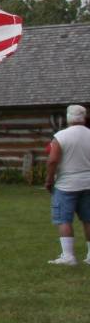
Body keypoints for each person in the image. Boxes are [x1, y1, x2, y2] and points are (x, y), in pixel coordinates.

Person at [45, 103, 90, 266]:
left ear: (68, 118)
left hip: (66, 184)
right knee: (88, 219)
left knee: (64, 219)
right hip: (88, 183)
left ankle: (68, 256)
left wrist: (49, 179)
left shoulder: (61, 136)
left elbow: (53, 160)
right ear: (84, 118)